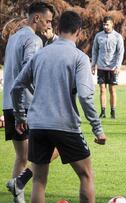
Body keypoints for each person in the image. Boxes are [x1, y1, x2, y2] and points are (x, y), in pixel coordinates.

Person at [11, 11, 107, 203]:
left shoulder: (40, 54)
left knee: (39, 180)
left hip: (37, 125)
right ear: (79, 31)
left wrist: (20, 116)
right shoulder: (79, 57)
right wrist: (98, 129)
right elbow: (86, 96)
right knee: (86, 175)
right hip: (65, 125)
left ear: (57, 28)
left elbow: (16, 87)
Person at [2, 2, 55, 202]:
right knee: (52, 147)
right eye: (47, 21)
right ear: (36, 18)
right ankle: (22, 182)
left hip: (9, 102)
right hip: (26, 106)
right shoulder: (33, 40)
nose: (48, 26)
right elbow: (30, 73)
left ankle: (18, 191)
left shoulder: (14, 38)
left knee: (21, 156)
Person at [92, 16, 124, 119]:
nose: (105, 26)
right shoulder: (98, 36)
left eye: (107, 24)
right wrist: (93, 64)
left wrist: (118, 66)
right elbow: (95, 50)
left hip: (112, 68)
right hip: (101, 67)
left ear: (112, 24)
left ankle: (113, 112)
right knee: (102, 89)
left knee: (112, 90)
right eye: (104, 24)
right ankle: (103, 111)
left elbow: (120, 52)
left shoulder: (118, 37)